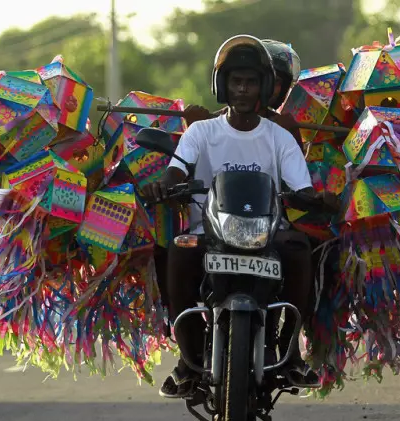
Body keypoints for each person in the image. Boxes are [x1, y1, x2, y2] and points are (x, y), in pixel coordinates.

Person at [142, 34, 337, 398]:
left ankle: (290, 352)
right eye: (236, 81)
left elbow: (302, 187)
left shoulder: (280, 137)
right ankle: (188, 357)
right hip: (210, 232)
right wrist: (162, 186)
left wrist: (322, 198)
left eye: (250, 82)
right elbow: (176, 171)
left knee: (298, 246)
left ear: (263, 86)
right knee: (178, 249)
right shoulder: (200, 132)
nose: (243, 90)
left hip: (268, 234)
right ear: (222, 85)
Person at [182, 39, 304, 149]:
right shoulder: (206, 124)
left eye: (276, 82)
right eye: (238, 80)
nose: (269, 86)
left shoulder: (284, 127)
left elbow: (297, 171)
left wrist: (291, 137)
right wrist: (193, 131)